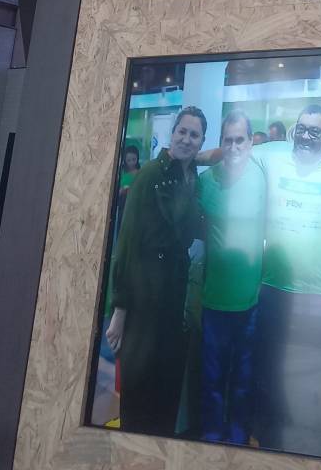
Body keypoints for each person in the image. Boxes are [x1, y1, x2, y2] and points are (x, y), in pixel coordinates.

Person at [253, 104, 321, 456]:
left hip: (318, 294)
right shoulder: (272, 156)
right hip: (273, 286)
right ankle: (266, 444)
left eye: (315, 131)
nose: (306, 136)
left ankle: (308, 444)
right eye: (302, 129)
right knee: (268, 368)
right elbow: (234, 151)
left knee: (312, 372)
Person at [106, 106, 206, 436]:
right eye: (182, 131)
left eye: (194, 135)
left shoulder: (192, 179)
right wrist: (120, 309)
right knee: (139, 386)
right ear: (172, 133)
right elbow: (127, 243)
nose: (186, 139)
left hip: (173, 295)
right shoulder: (150, 174)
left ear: (201, 141)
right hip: (143, 295)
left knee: (165, 386)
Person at [199, 110, 265, 445]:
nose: (234, 146)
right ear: (221, 143)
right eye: (228, 140)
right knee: (211, 379)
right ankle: (211, 438)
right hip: (213, 301)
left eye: (240, 140)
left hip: (250, 302)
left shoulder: (262, 176)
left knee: (243, 380)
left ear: (251, 142)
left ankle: (238, 440)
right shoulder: (205, 182)